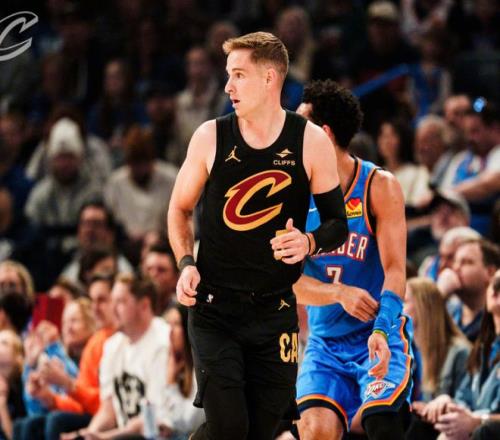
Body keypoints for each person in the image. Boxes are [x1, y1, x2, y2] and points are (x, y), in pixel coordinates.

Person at [168, 32, 347, 440]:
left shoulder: (310, 140)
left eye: (238, 75)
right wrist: (186, 263)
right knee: (230, 427)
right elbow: (179, 209)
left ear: (269, 79)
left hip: (275, 309)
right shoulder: (210, 136)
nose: (227, 86)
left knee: (264, 431)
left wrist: (308, 242)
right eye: (228, 75)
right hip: (215, 307)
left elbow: (337, 223)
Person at [292, 79, 412, 440]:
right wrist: (338, 293)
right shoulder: (290, 196)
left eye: (299, 126)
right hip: (325, 343)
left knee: (382, 422)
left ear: (324, 134)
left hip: (377, 332)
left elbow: (396, 271)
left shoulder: (379, 185)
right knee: (314, 430)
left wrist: (382, 327)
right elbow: (287, 281)